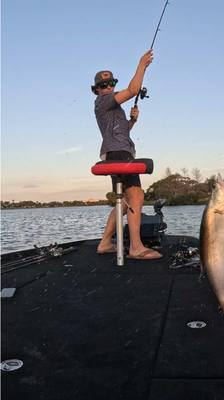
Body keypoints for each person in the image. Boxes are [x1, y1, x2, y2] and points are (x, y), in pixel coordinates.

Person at [92, 49, 162, 260]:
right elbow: (133, 89)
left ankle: (105, 243)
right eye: (103, 85)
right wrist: (142, 65)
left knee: (123, 203)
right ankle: (136, 247)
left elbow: (121, 133)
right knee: (136, 196)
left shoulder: (113, 108)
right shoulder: (105, 101)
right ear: (96, 89)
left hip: (118, 151)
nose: (108, 87)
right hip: (119, 154)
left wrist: (132, 121)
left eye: (111, 83)